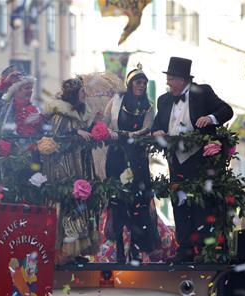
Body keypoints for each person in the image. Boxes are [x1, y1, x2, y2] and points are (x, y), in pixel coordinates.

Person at [152, 57, 233, 261]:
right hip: (176, 158)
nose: (168, 82)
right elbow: (156, 125)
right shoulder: (163, 100)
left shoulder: (202, 92)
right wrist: (157, 132)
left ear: (182, 80)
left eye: (171, 78)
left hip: (198, 157)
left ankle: (203, 249)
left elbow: (226, 110)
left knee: (200, 202)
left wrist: (210, 118)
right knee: (179, 201)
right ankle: (185, 248)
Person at [101, 65, 158, 263]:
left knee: (138, 201)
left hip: (137, 156)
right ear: (130, 84)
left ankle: (136, 249)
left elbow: (148, 127)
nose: (141, 86)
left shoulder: (148, 106)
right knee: (117, 199)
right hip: (116, 155)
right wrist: (110, 133)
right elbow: (105, 122)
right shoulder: (116, 100)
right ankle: (118, 246)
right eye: (138, 82)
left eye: (144, 83)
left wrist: (130, 135)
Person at [41, 77, 98, 262]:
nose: (85, 94)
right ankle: (63, 252)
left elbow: (84, 131)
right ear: (74, 94)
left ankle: (75, 252)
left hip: (78, 166)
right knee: (66, 205)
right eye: (82, 91)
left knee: (77, 205)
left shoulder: (79, 112)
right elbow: (55, 135)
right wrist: (75, 133)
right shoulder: (61, 113)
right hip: (64, 169)